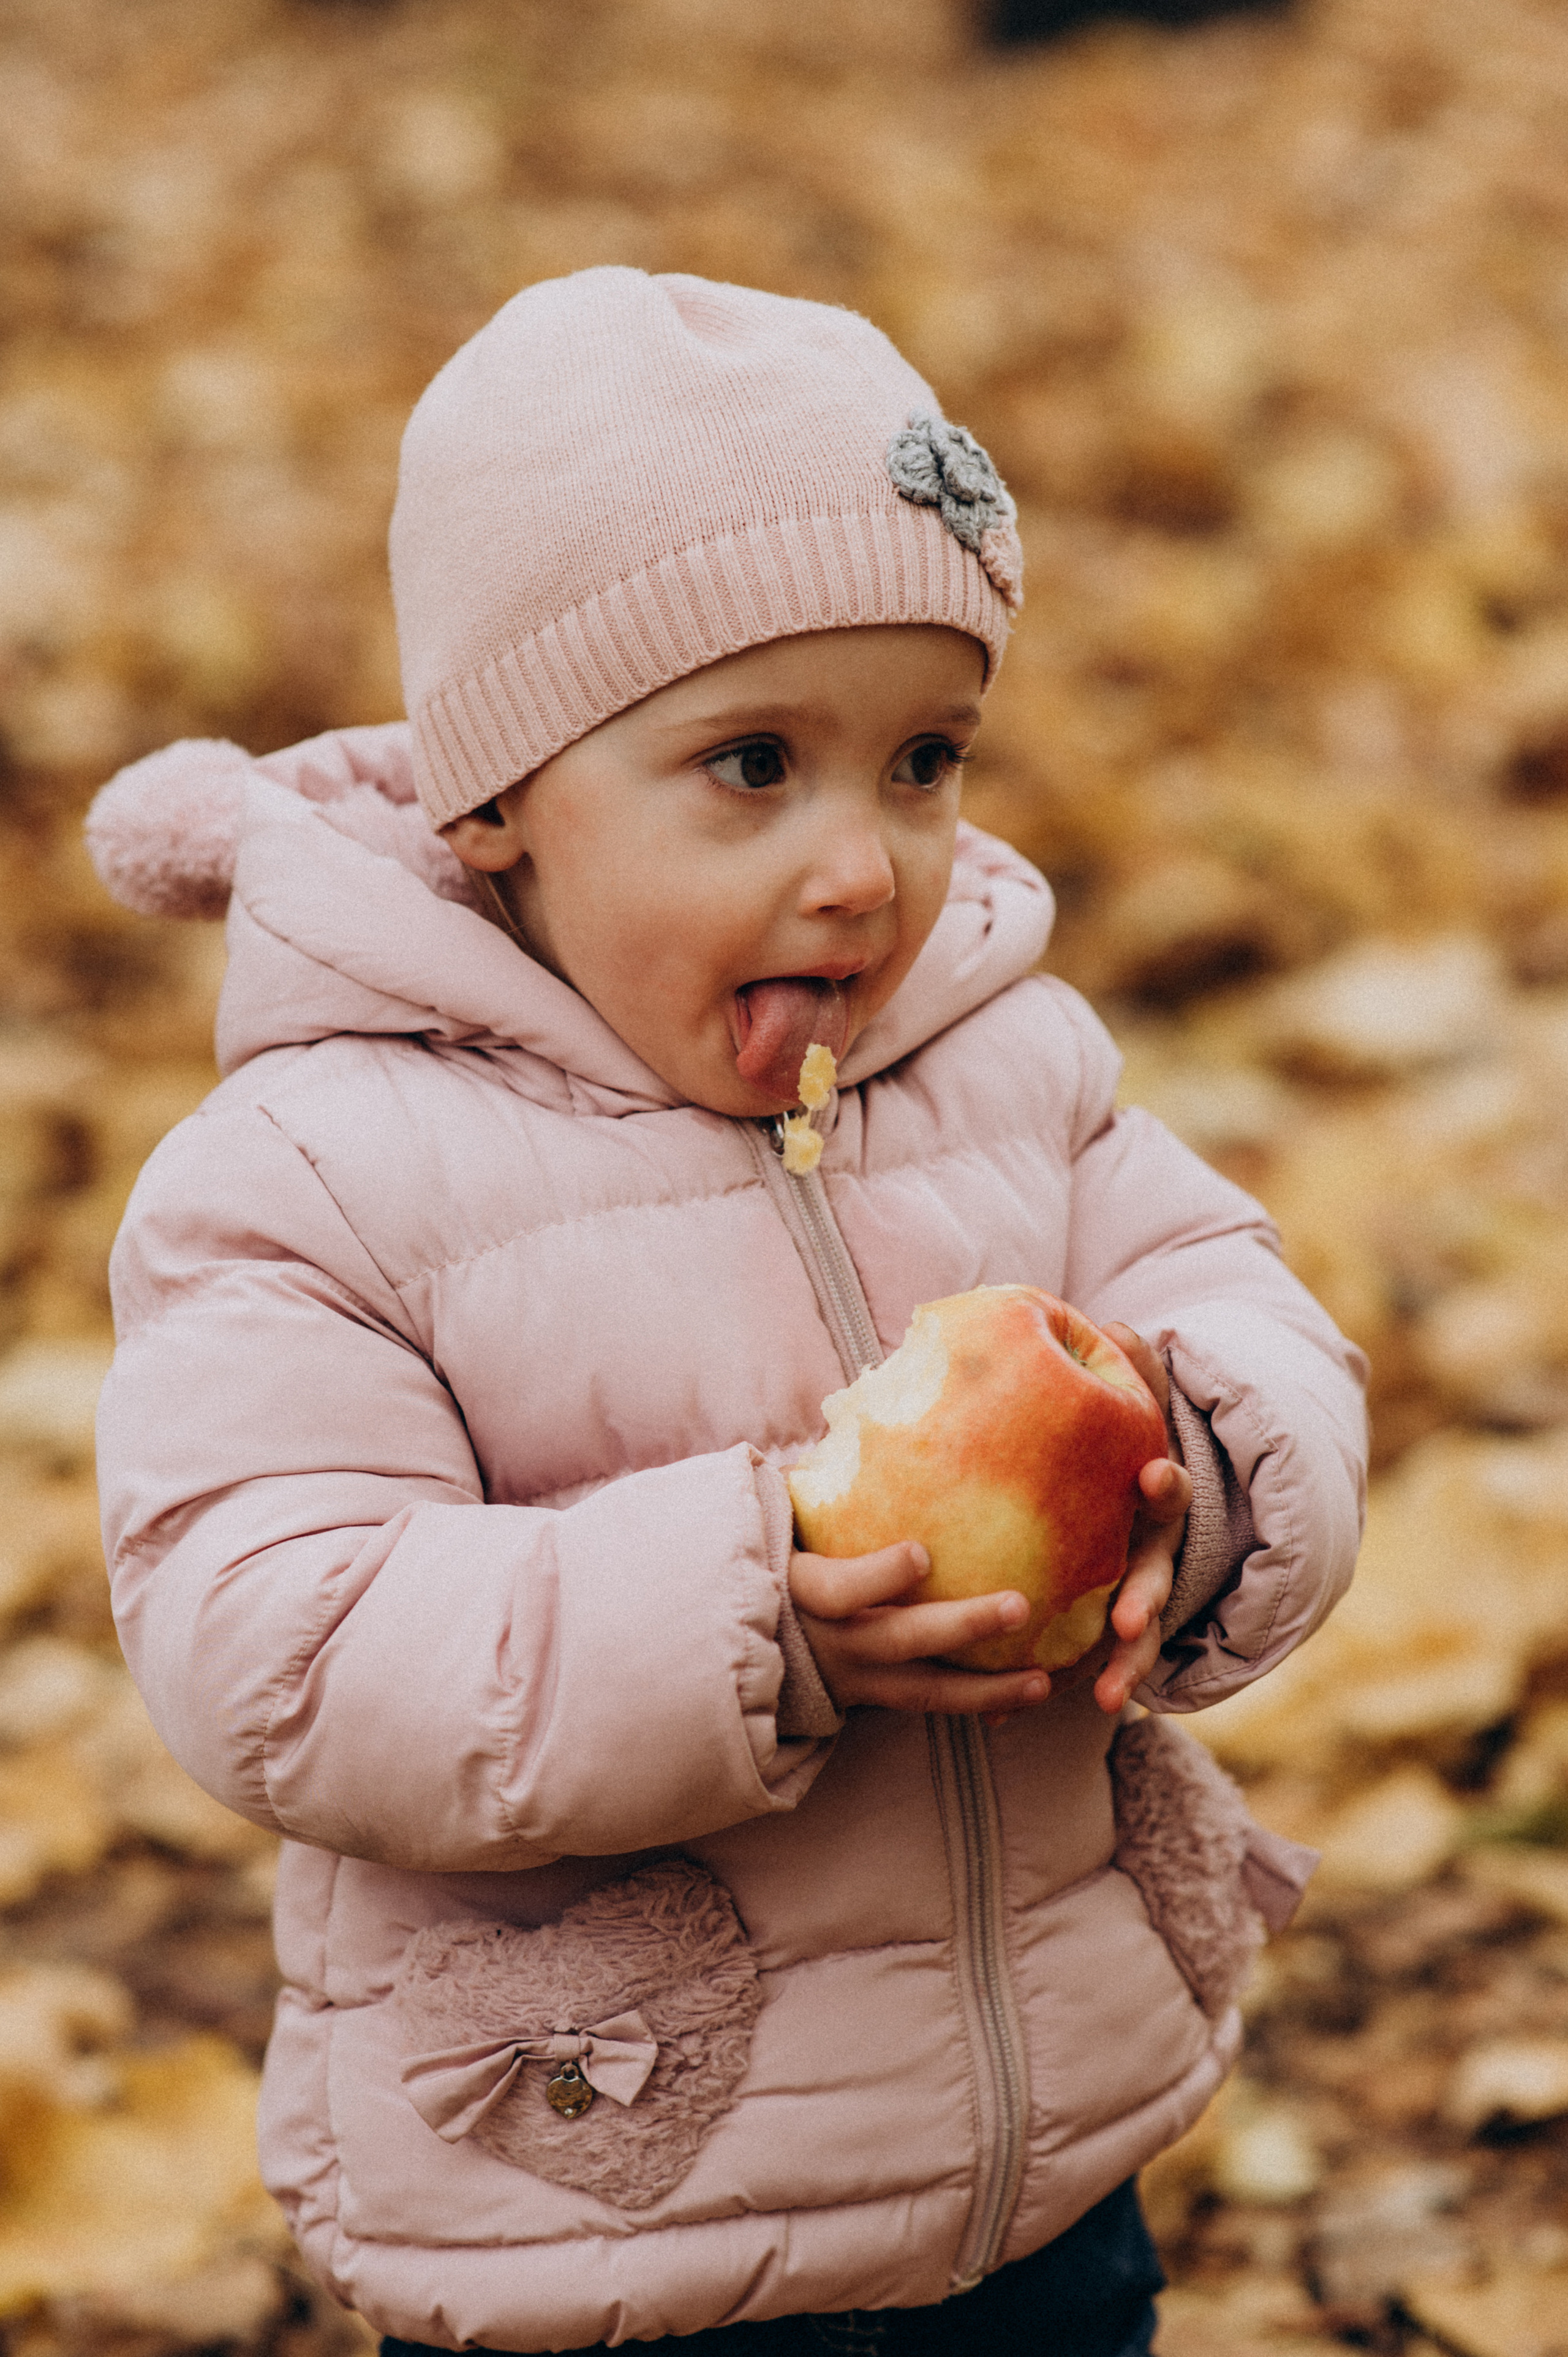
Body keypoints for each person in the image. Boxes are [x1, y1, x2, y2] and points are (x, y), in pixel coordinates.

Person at [86, 268, 1366, 2357]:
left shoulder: (1002, 1062)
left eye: (925, 760)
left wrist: (1198, 1468)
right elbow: (273, 1634)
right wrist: (743, 1597)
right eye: (752, 764)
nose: (865, 869)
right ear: (500, 798)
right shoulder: (322, 1170)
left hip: (1036, 2184)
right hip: (610, 2198)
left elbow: (1242, 1304)